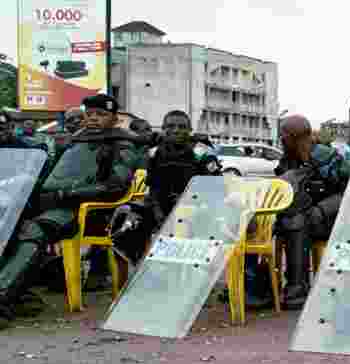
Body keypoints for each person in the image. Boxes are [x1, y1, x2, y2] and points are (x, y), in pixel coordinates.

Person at [0, 94, 141, 329]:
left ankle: (3, 295)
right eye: (90, 114)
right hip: (55, 205)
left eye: (101, 114)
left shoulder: (122, 145)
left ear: (114, 119)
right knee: (10, 223)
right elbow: (51, 176)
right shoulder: (75, 142)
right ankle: (20, 293)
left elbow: (115, 187)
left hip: (88, 212)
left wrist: (68, 194)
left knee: (35, 230)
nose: (93, 119)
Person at [246, 114, 350, 310]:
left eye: (284, 136)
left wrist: (322, 209)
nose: (281, 140)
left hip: (331, 220)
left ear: (295, 137)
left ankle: (297, 290)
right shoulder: (287, 161)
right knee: (259, 224)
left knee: (296, 221)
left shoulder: (328, 158)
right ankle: (259, 286)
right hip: (298, 216)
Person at [109, 110, 222, 264]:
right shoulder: (155, 153)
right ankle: (139, 265)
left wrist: (192, 206)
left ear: (190, 130)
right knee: (126, 218)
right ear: (163, 129)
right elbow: (153, 188)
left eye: (182, 127)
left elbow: (216, 187)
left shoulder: (200, 153)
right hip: (162, 206)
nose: (176, 130)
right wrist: (158, 213)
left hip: (194, 207)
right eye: (170, 126)